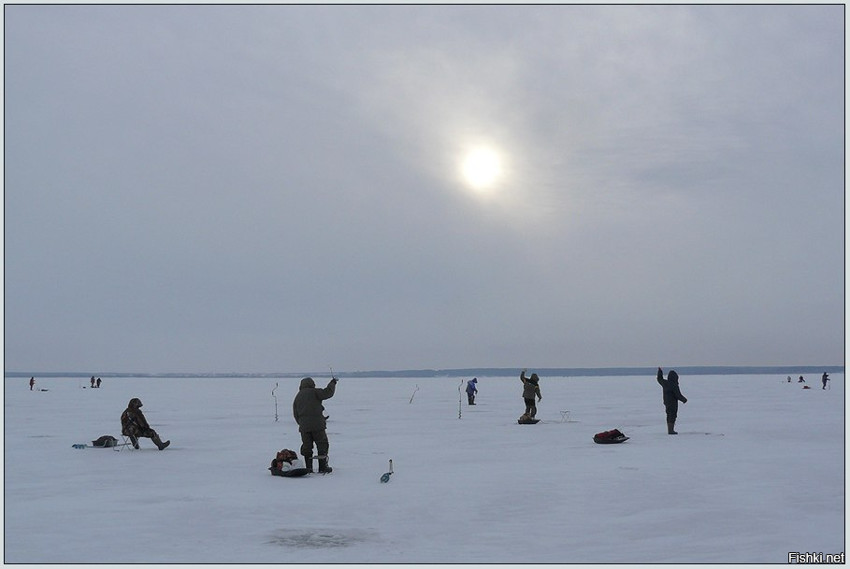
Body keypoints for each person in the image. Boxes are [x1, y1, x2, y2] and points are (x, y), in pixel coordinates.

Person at [293, 376, 338, 473]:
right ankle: (322, 467)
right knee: (322, 445)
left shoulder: (298, 396)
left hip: (304, 427)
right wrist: (333, 383)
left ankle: (309, 468)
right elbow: (328, 393)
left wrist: (302, 424)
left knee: (307, 447)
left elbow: (295, 413)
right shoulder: (315, 392)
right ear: (312, 384)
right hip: (318, 426)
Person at [657, 367, 687, 434]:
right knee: (673, 415)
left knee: (668, 415)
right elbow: (678, 395)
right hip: (673, 403)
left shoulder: (665, 383)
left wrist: (660, 372)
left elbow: (659, 379)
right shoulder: (674, 385)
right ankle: (671, 430)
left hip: (666, 402)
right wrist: (684, 400)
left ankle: (669, 430)